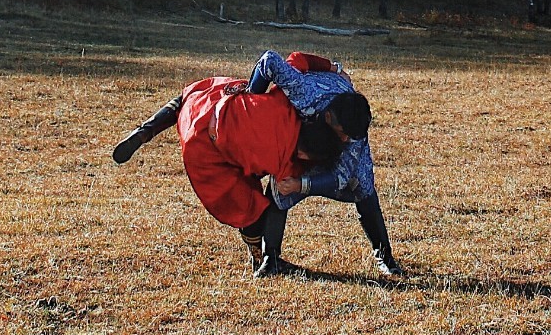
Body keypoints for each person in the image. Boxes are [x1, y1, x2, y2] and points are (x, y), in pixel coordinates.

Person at [110, 50, 403, 278]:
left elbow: (275, 60)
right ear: (327, 118)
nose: (347, 139)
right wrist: (300, 183)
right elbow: (287, 188)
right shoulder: (300, 114)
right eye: (343, 135)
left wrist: (253, 95)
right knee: (249, 206)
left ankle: (146, 130)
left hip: (210, 116)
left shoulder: (345, 137)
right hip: (216, 151)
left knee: (193, 94)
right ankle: (265, 258)